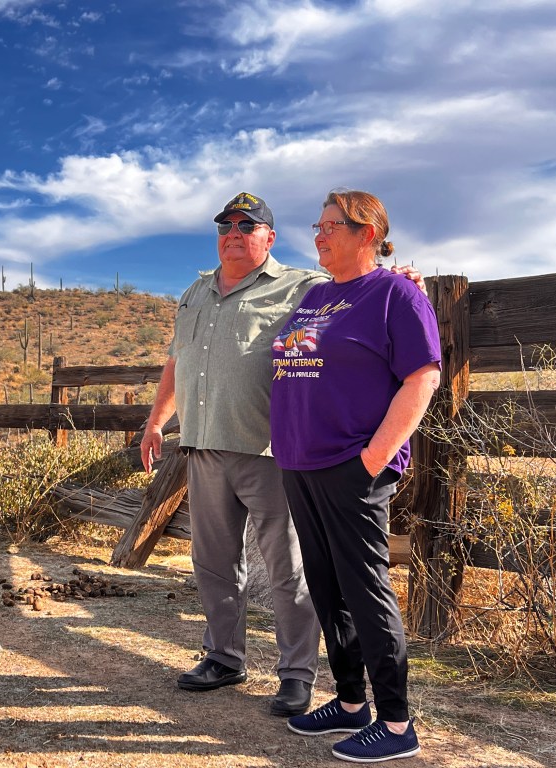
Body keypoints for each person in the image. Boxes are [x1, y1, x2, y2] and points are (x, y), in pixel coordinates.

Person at [141, 192, 423, 717]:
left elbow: (359, 287)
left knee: (288, 568)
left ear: (269, 238)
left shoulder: (302, 286)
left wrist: (400, 278)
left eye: (247, 226)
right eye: (225, 225)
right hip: (203, 444)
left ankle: (296, 675)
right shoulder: (194, 293)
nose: (233, 233)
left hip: (272, 450)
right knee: (213, 563)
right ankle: (224, 658)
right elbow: (178, 360)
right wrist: (157, 420)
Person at [270, 189, 441, 762]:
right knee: (326, 586)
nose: (318, 235)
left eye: (331, 226)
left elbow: (422, 377)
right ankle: (349, 703)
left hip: (352, 466)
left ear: (367, 233)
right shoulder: (315, 297)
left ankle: (396, 724)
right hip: (299, 463)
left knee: (366, 589)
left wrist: (373, 458)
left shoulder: (396, 294)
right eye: (317, 226)